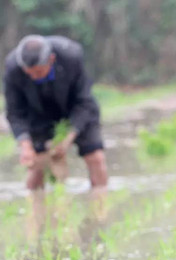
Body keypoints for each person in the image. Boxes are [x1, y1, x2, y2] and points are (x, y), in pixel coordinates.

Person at [3, 35, 108, 191]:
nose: (33, 77)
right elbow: (14, 111)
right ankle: (36, 210)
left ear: (51, 60)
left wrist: (69, 135)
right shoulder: (13, 67)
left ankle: (100, 205)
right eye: (28, 73)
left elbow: (84, 100)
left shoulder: (71, 56)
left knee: (95, 157)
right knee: (36, 165)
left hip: (75, 108)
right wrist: (25, 145)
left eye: (38, 72)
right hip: (37, 113)